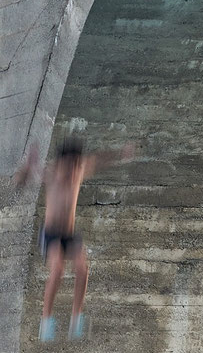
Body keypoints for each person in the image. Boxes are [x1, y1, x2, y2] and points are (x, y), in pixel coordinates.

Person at [14, 136, 136, 342]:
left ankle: (76, 316)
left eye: (76, 166)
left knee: (82, 269)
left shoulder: (79, 169)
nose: (72, 172)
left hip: (69, 234)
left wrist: (121, 153)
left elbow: (100, 159)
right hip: (51, 234)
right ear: (60, 162)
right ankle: (46, 320)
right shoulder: (51, 173)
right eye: (68, 166)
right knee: (58, 269)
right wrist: (27, 167)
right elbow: (19, 182)